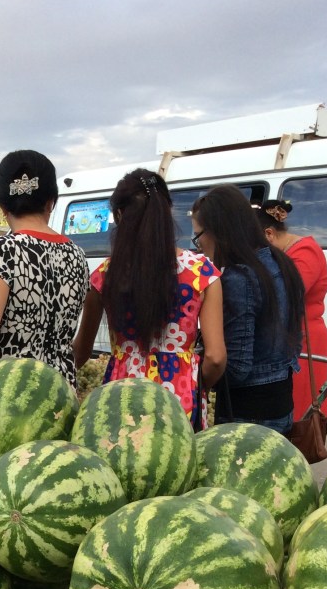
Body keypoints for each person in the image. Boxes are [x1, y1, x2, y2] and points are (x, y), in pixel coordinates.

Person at [73, 169, 226, 428]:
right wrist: (193, 382)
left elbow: (82, 350)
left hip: (121, 395)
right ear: (167, 211)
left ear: (120, 215)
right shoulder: (202, 272)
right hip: (179, 396)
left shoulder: (104, 277)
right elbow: (215, 357)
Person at [0, 149, 90, 389]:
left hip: (10, 398)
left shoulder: (3, 252)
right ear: (51, 202)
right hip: (61, 396)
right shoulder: (77, 255)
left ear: (2, 205)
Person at [191, 185, 305, 434]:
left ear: (217, 231)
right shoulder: (281, 261)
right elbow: (295, 343)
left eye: (198, 237)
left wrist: (200, 378)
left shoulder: (238, 277)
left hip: (248, 415)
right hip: (282, 403)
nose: (198, 247)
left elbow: (236, 366)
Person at [255, 200, 327, 419]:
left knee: (299, 418)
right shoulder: (292, 252)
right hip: (291, 340)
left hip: (305, 345)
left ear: (269, 234)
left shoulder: (306, 252)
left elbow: (284, 296)